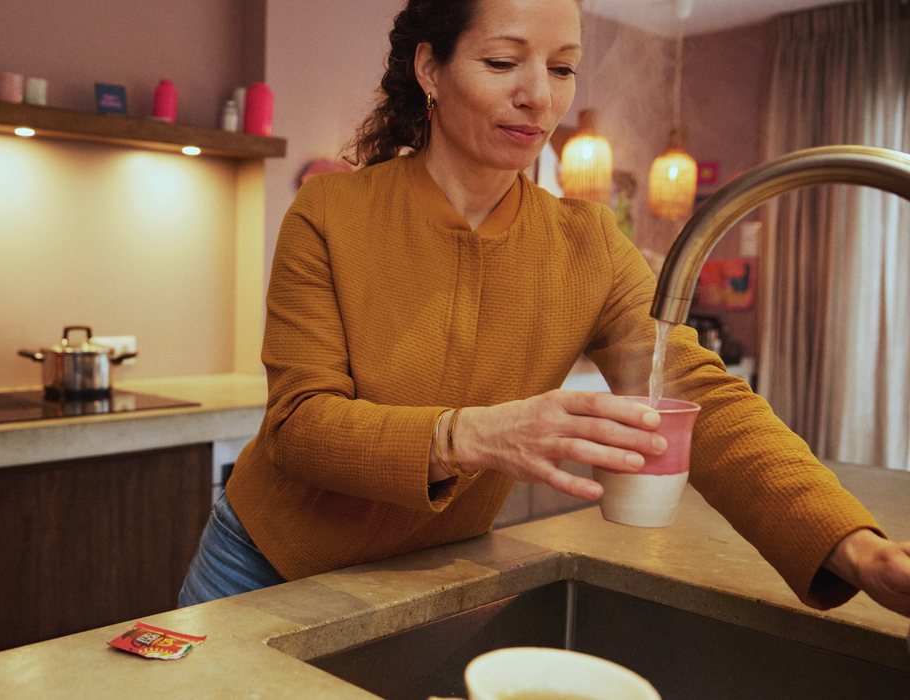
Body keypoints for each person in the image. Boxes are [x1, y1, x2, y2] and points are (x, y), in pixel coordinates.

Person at [179, 0, 910, 619]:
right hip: (263, 566)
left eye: (562, 69)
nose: (539, 96)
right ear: (430, 69)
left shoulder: (587, 244)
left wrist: (853, 546)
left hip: (423, 582)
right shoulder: (330, 213)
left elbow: (696, 397)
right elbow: (299, 427)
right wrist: (471, 435)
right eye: (503, 63)